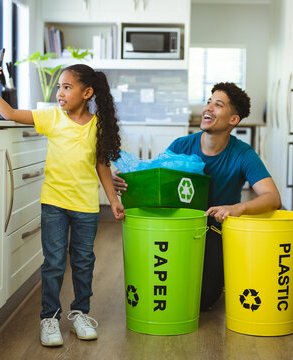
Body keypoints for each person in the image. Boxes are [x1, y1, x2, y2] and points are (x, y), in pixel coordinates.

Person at [0, 63, 124, 346]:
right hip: (54, 205)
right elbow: (9, 113)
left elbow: (101, 165)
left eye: (67, 87)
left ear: (87, 93)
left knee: (83, 262)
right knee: (55, 263)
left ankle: (80, 314)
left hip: (86, 207)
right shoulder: (51, 118)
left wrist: (113, 200)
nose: (60, 93)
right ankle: (50, 318)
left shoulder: (98, 126)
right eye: (59, 87)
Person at [113, 82, 281, 311]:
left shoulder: (243, 154)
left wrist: (235, 208)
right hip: (178, 229)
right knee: (171, 291)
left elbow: (272, 197)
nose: (208, 108)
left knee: (202, 301)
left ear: (233, 119)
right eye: (208, 101)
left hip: (214, 231)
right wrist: (129, 181)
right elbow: (158, 180)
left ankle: (218, 281)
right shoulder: (182, 146)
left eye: (218, 104)